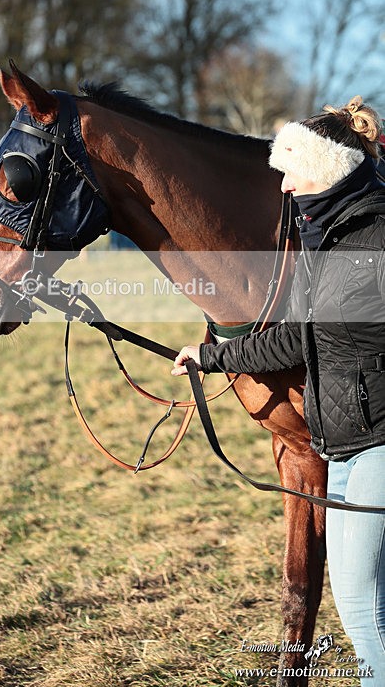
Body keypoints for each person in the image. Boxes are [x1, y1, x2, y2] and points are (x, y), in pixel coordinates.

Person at [171, 96, 385, 682]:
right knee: (356, 596)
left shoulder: (371, 241)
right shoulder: (328, 242)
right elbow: (293, 341)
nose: (284, 186)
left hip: (378, 442)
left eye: (290, 170)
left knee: (365, 608)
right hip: (342, 443)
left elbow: (302, 339)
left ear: (324, 170)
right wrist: (212, 357)